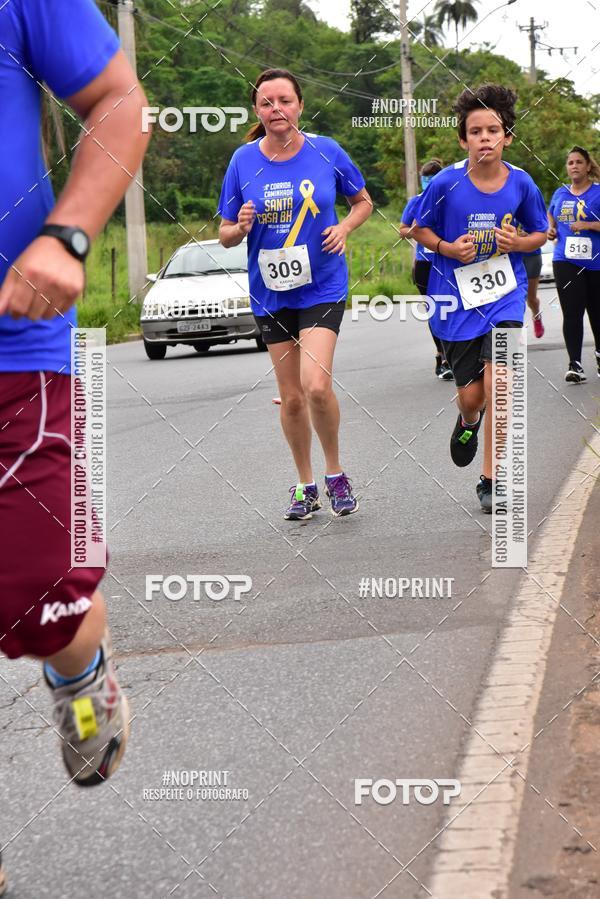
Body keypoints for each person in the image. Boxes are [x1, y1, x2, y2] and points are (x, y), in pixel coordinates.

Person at [0, 2, 149, 888]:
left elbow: (121, 100)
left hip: (13, 340)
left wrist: (66, 235)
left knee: (38, 597)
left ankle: (79, 663)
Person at [218, 68, 372, 519]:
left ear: (300, 105)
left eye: (284, 100)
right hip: (271, 290)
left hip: (322, 284)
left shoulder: (327, 152)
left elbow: (363, 201)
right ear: (257, 111)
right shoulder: (242, 161)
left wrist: (344, 227)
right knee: (291, 396)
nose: (276, 110)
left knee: (317, 385)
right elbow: (225, 234)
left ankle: (335, 473)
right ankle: (305, 484)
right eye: (267, 103)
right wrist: (240, 226)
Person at [411, 84, 547, 512]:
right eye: (476, 131)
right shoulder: (446, 184)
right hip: (454, 300)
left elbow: (541, 231)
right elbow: (419, 229)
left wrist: (519, 242)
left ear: (507, 136)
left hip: (504, 295)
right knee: (472, 396)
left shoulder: (522, 183)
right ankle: (469, 419)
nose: (485, 137)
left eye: (494, 130)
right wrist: (449, 249)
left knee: (501, 383)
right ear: (463, 138)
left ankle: (493, 478)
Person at [548, 146, 600, 382]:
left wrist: (588, 225)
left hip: (595, 262)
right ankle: (575, 364)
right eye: (570, 163)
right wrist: (551, 228)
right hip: (565, 259)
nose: (575, 166)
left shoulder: (598, 192)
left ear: (588, 166)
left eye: (579, 162)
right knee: (572, 312)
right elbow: (551, 214)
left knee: (597, 313)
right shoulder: (560, 193)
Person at [400, 159, 453, 380]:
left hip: (449, 261)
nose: (428, 183)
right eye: (425, 179)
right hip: (424, 263)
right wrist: (415, 231)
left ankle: (454, 355)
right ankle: (442, 357)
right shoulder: (416, 202)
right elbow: (402, 230)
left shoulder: (451, 200)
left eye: (432, 179)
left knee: (451, 310)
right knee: (434, 312)